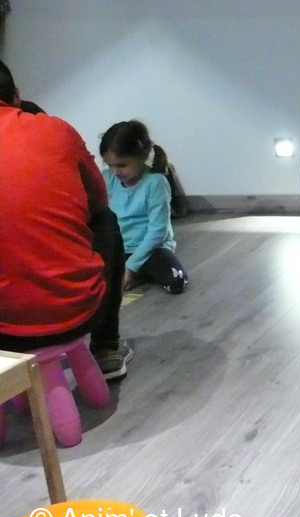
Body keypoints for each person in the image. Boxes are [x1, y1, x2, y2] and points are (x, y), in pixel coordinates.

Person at [0, 60, 131, 380]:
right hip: (75, 313)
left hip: (4, 328)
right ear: (17, 96)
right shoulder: (55, 129)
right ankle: (105, 347)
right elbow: (98, 201)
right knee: (105, 220)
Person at [99, 120, 190, 295]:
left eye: (122, 165)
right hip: (119, 249)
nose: (115, 171)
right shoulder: (107, 178)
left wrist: (131, 266)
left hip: (152, 249)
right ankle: (138, 274)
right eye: (110, 165)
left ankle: (137, 272)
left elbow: (158, 231)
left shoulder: (156, 183)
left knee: (177, 280)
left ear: (142, 155)